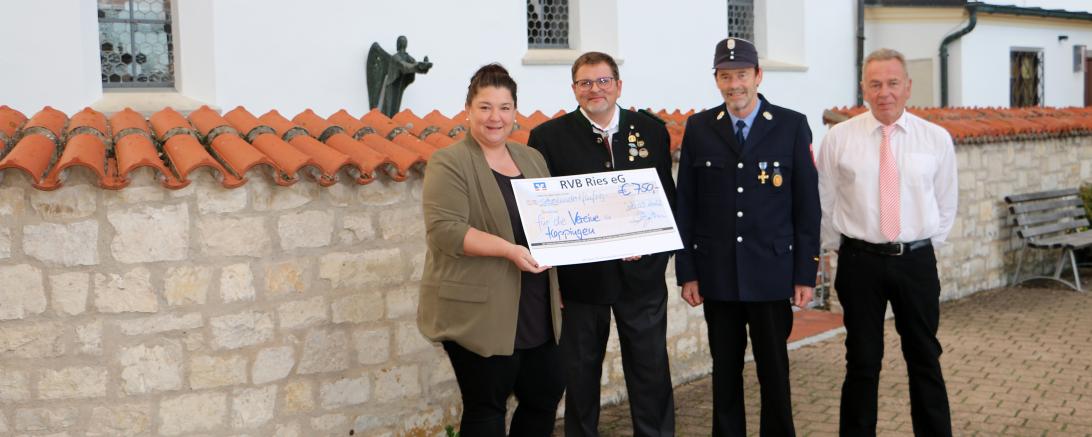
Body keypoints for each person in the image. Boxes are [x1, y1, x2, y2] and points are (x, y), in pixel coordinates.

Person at [674, 37, 820, 437]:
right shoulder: (701, 128)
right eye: (725, 76)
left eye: (741, 74)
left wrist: (806, 274)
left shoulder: (790, 125)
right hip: (718, 274)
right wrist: (687, 270)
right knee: (725, 372)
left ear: (758, 75)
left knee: (774, 370)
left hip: (772, 272)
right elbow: (686, 204)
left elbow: (807, 207)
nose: (733, 84)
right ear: (717, 79)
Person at [527, 51, 677, 437]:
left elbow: (666, 201)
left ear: (618, 85)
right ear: (574, 89)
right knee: (580, 377)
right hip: (581, 281)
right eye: (585, 83)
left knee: (651, 373)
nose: (595, 89)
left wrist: (651, 247)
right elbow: (542, 215)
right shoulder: (547, 138)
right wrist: (553, 279)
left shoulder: (651, 130)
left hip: (641, 278)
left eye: (603, 81)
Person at [417, 63, 563, 437]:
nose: (495, 117)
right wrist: (508, 250)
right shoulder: (449, 162)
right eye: (485, 107)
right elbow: (445, 232)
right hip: (479, 309)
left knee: (543, 398)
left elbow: (554, 221)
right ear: (468, 110)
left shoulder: (532, 159)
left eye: (504, 107)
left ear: (515, 112)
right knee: (486, 409)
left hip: (536, 303)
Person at [816, 48, 956, 437]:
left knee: (925, 356)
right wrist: (834, 249)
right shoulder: (839, 139)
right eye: (875, 84)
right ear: (863, 88)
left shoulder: (936, 139)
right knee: (862, 361)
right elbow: (825, 201)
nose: (885, 92)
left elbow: (946, 204)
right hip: (860, 262)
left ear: (908, 87)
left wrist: (921, 247)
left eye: (893, 83)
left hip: (915, 262)